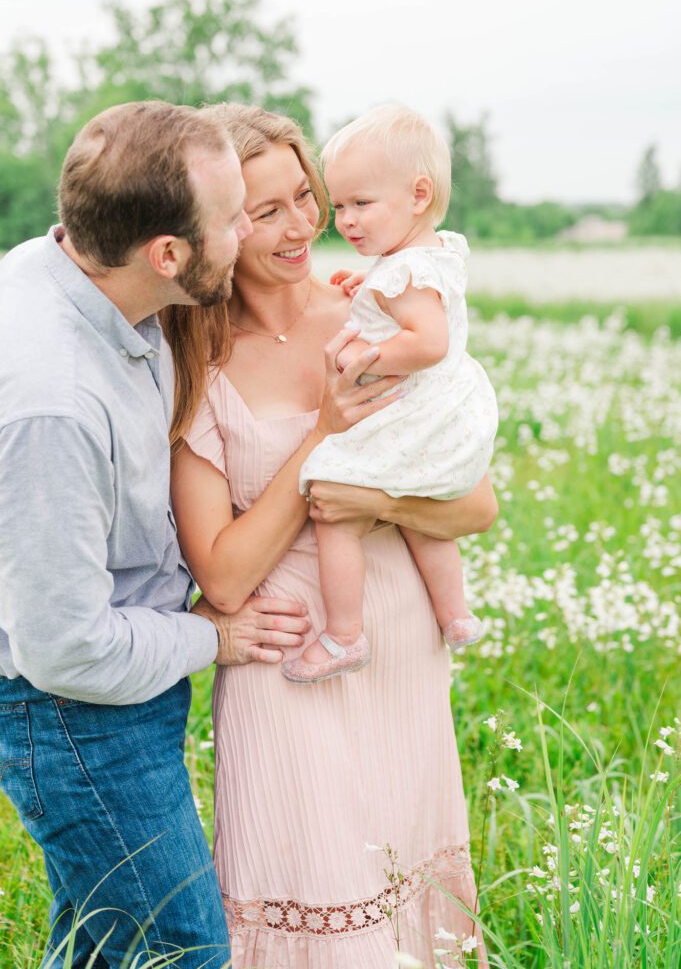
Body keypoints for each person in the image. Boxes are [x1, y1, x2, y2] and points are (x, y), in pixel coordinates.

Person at [166, 103, 497, 968]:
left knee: (403, 895)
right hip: (287, 665)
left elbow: (473, 507)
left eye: (303, 198)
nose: (302, 226)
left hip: (395, 644)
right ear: (209, 225)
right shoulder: (192, 358)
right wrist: (322, 436)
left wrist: (364, 505)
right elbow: (226, 578)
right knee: (307, 897)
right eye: (263, 211)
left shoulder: (379, 316)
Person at [0, 100, 312, 969]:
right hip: (71, 714)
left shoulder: (77, 268)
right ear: (168, 253)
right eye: (234, 218)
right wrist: (208, 636)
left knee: (105, 951)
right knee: (183, 951)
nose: (250, 230)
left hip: (117, 687)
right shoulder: (52, 402)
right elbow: (64, 650)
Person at [288, 105, 499, 682]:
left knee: (331, 503)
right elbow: (412, 302)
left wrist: (363, 357)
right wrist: (370, 289)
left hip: (412, 409)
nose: (346, 221)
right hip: (445, 410)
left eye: (361, 204)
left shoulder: (401, 272)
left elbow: (427, 342)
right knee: (421, 509)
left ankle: (344, 635)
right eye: (341, 206)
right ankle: (454, 614)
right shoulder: (424, 257)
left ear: (419, 194)